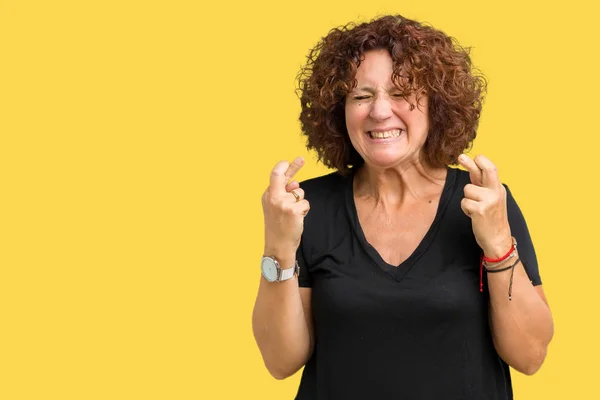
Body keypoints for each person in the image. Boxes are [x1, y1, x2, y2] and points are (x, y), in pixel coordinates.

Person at [252, 14, 554, 400]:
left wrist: (498, 243)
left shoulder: (484, 200)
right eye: (361, 96)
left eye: (401, 93)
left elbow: (530, 356)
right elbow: (281, 362)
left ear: (437, 104)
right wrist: (278, 246)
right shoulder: (307, 208)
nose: (379, 112)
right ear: (338, 110)